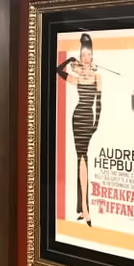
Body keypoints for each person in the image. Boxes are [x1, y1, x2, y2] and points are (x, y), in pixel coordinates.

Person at [56, 33, 102, 226]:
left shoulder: (97, 76)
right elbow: (58, 70)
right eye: (82, 55)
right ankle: (84, 209)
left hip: (88, 119)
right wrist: (69, 59)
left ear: (91, 57)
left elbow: (98, 103)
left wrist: (95, 125)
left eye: (87, 55)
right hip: (77, 118)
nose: (85, 58)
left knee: (83, 160)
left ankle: (84, 208)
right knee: (81, 159)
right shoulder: (77, 77)